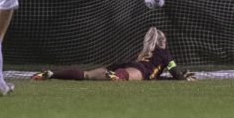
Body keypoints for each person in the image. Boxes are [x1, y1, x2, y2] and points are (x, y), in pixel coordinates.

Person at [32, 27, 195, 81]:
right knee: (121, 77)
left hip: (129, 65)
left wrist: (172, 77)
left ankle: (52, 74)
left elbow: (156, 76)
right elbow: (175, 74)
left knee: (87, 75)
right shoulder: (164, 53)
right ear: (163, 41)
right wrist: (184, 78)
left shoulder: (145, 52)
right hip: (138, 70)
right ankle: (115, 76)